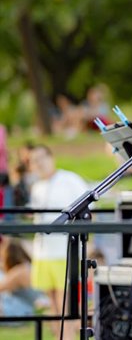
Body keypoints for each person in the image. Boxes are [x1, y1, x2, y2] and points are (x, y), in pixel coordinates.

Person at [28, 144, 89, 340]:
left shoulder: (69, 180)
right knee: (52, 303)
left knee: (68, 302)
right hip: (42, 253)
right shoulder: (36, 187)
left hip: (64, 251)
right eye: (34, 161)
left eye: (41, 158)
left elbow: (88, 208)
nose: (39, 164)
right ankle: (59, 337)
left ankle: (69, 337)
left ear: (50, 157)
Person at [0, 237, 45, 317]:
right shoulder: (27, 266)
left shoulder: (20, 271)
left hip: (19, 311)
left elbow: (2, 287)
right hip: (25, 309)